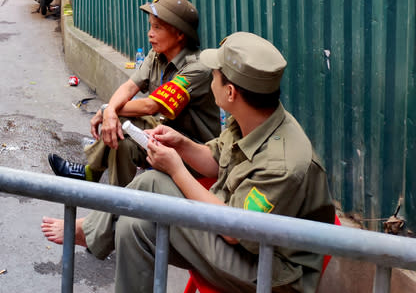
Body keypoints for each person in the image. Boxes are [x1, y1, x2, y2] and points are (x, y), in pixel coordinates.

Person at [41, 32, 335, 293]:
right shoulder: (256, 117)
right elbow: (215, 160)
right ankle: (94, 232)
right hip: (239, 237)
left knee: (153, 182)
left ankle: (91, 232)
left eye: (216, 75)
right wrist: (181, 145)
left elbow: (235, 231)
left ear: (231, 92)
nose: (211, 78)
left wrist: (176, 168)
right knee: (133, 225)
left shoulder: (282, 164)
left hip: (270, 271)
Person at [48, 0, 220, 186]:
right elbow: (129, 86)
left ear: (180, 34)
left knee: (121, 120)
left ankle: (92, 174)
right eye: (150, 26)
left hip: (193, 152)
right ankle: (113, 204)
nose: (149, 33)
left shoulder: (196, 68)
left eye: (157, 27)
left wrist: (106, 110)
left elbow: (150, 106)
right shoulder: (157, 55)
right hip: (161, 136)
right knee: (122, 143)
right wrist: (110, 111)